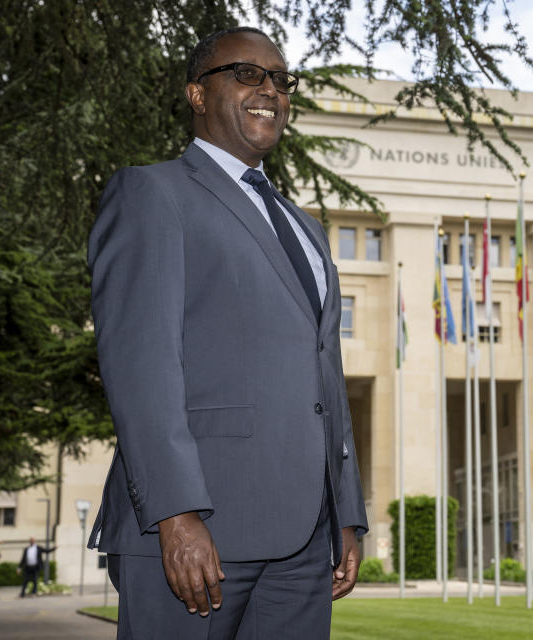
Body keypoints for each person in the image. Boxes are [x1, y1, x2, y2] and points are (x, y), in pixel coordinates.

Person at [87, 26, 367, 638]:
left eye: (280, 79)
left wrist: (345, 511)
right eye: (247, 73)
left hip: (303, 543)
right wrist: (175, 513)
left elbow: (325, 376)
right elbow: (142, 367)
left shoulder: (306, 228)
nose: (269, 89)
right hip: (197, 533)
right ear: (196, 93)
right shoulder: (151, 193)